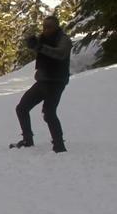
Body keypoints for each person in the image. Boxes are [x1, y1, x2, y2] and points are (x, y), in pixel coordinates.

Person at [10, 15, 72, 153]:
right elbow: (38, 47)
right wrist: (32, 43)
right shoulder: (44, 38)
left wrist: (39, 46)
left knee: (49, 113)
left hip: (56, 82)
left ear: (56, 27)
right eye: (44, 26)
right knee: (22, 108)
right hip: (43, 81)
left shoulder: (64, 40)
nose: (45, 29)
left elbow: (60, 54)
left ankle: (59, 146)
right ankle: (28, 140)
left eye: (49, 26)